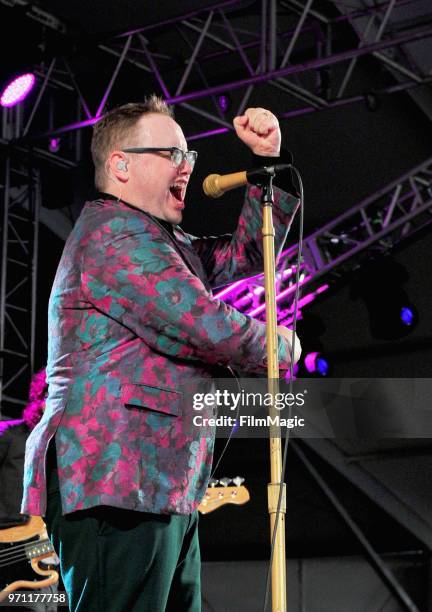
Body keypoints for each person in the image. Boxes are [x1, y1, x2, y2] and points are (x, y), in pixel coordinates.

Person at [21, 96, 301, 612]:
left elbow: (245, 255)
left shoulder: (161, 240)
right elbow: (203, 323)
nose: (188, 166)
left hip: (158, 484)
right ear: (120, 164)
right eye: (172, 153)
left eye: (189, 154)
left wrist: (268, 166)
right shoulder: (113, 234)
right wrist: (280, 344)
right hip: (116, 480)